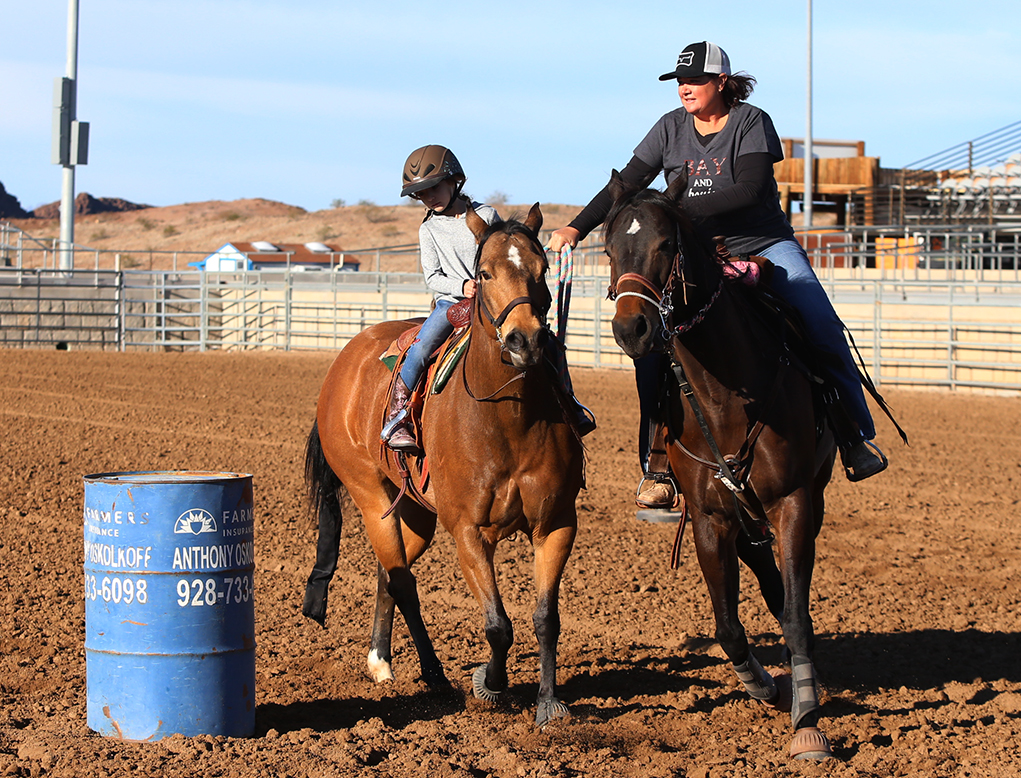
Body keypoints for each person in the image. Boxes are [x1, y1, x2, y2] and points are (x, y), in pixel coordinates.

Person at [547, 41, 887, 507]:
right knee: (650, 346)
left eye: (695, 81)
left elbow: (749, 189)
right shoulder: (669, 128)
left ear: (721, 82)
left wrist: (673, 208)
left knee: (822, 323)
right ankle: (657, 466)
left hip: (764, 244)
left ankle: (854, 436)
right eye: (679, 82)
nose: (685, 89)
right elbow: (626, 185)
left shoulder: (752, 122)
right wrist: (577, 226)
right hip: (696, 254)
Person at [383, 145, 595, 451]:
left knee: (548, 342)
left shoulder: (486, 215)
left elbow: (504, 259)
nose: (430, 198)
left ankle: (568, 401)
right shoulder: (428, 229)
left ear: (454, 181)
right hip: (451, 302)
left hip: (495, 298)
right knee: (422, 346)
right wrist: (462, 286)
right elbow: (432, 277)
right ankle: (398, 416)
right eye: (421, 194)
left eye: (435, 188)